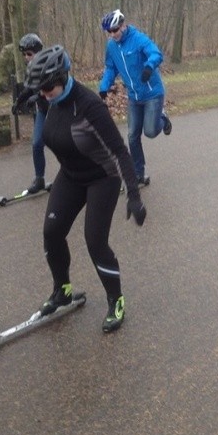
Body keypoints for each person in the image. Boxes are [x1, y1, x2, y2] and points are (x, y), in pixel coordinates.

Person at [25, 44, 147, 333]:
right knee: (52, 232)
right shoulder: (47, 99)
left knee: (95, 241)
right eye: (40, 89)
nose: (44, 94)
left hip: (102, 177)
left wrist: (134, 194)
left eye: (48, 87)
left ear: (64, 76)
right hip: (70, 175)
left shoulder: (89, 106)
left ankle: (116, 300)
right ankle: (62, 290)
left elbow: (120, 151)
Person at [98, 9, 172, 186]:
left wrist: (149, 66)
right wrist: (103, 87)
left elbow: (156, 53)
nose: (113, 34)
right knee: (132, 136)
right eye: (109, 32)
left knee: (151, 131)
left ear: (123, 25)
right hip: (133, 96)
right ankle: (138, 174)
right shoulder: (111, 46)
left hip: (152, 93)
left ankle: (163, 118)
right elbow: (110, 68)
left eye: (115, 30)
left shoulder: (139, 39)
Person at [12, 33, 48, 194]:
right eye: (24, 55)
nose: (27, 58)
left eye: (29, 54)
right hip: (42, 110)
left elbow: (51, 86)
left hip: (56, 109)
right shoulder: (30, 68)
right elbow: (29, 87)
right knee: (37, 144)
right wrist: (19, 100)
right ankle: (39, 178)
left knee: (63, 143)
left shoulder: (48, 64)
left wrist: (38, 95)